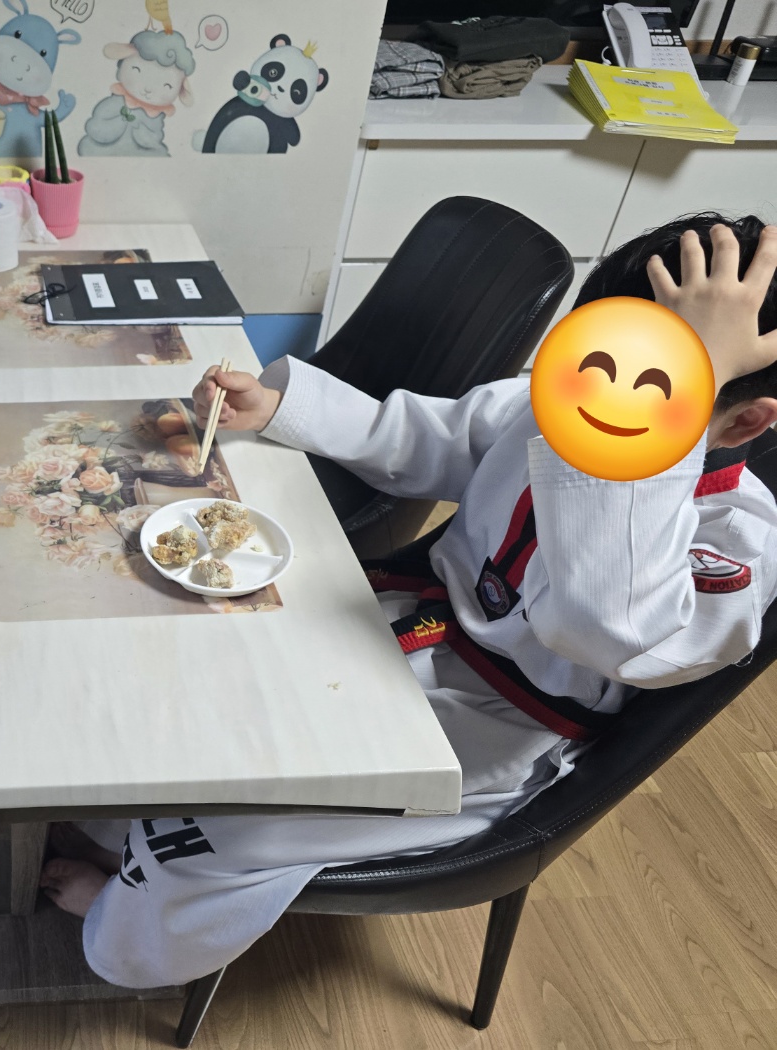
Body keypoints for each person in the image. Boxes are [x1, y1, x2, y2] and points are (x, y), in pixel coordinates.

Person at [40, 214, 777, 988]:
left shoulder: (734, 542)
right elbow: (436, 438)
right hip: (420, 624)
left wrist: (642, 438)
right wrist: (281, 408)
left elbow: (604, 626)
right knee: (192, 686)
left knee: (225, 827)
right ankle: (121, 840)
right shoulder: (552, 404)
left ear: (743, 422)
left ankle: (121, 930)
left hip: (497, 730)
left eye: (652, 395)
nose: (594, 403)